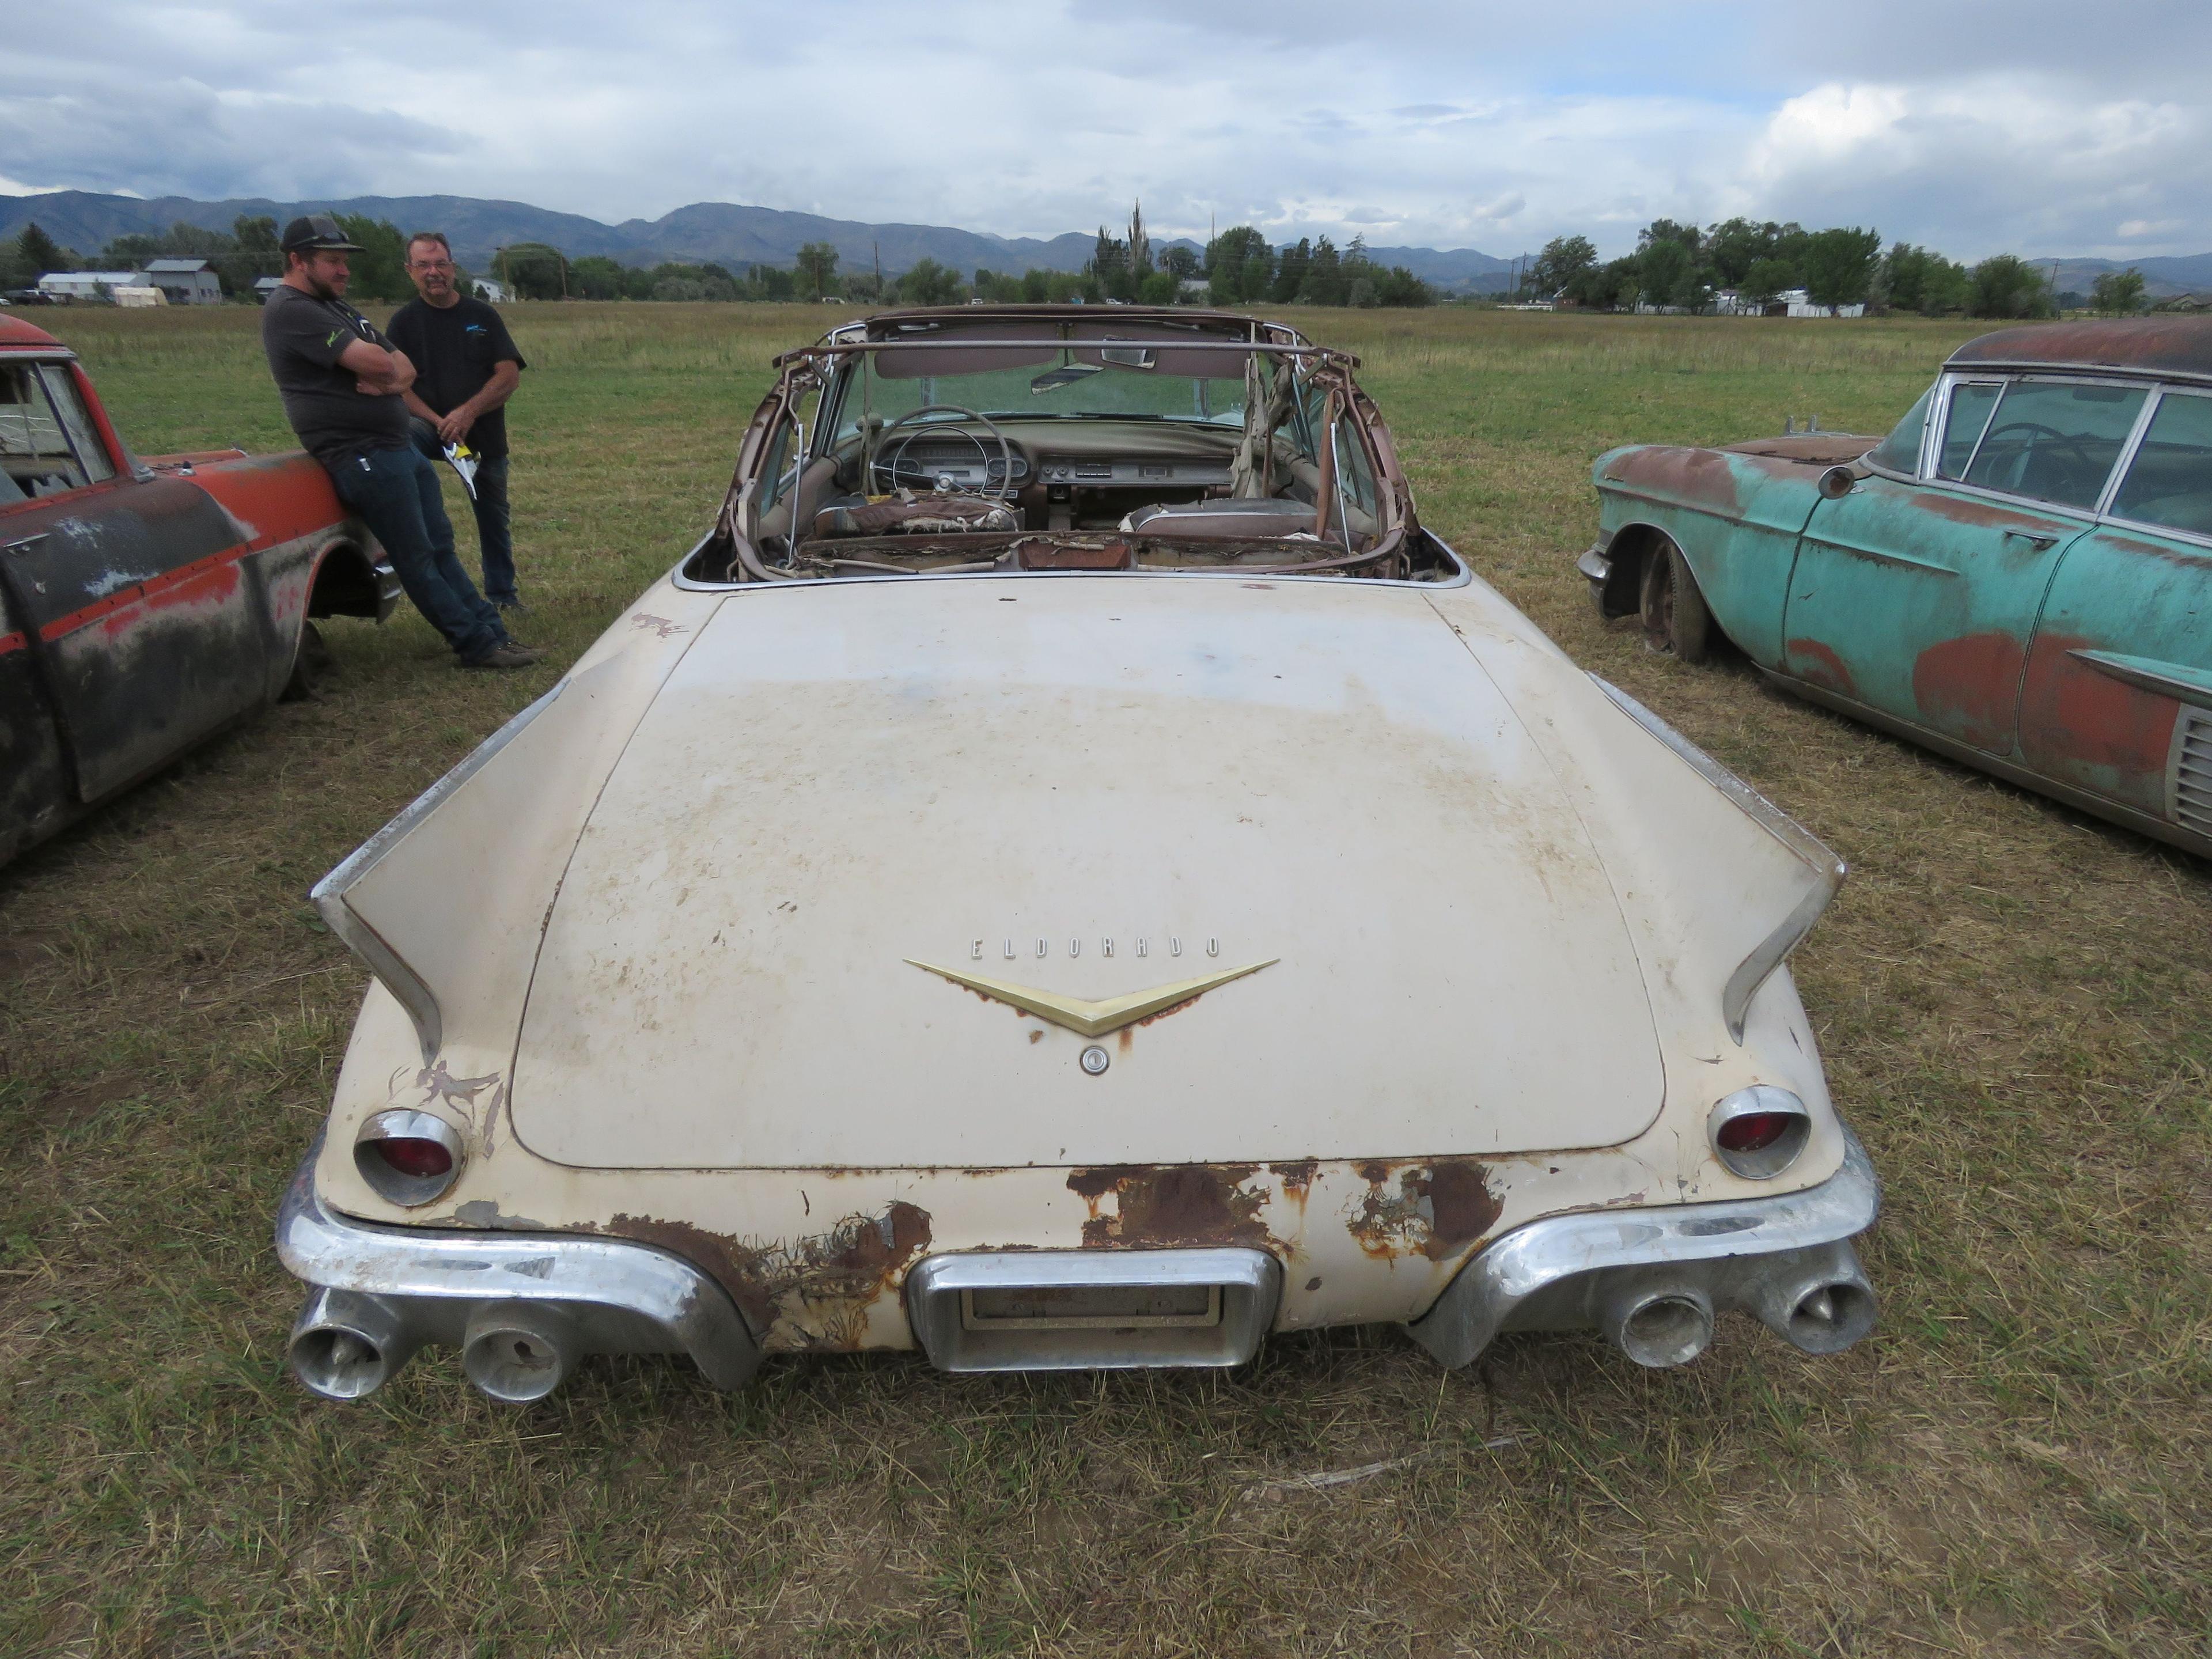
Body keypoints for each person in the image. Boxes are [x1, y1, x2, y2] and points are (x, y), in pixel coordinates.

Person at [259, 214, 540, 671]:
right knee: (417, 557)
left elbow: (400, 368)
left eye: (345, 261)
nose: (344, 271)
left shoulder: (336, 307)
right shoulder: (292, 310)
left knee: (441, 546)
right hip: (361, 454)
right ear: (297, 261)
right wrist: (386, 371)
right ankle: (475, 645)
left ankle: (495, 633)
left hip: (394, 446)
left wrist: (387, 377)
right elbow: (384, 362)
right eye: (332, 261)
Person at [387, 233, 528, 613]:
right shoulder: (403, 324)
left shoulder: (482, 316)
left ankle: (502, 594)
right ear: (410, 271)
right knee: (400, 450)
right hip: (428, 429)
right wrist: (438, 421)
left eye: (442, 264)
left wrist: (467, 412)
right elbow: (399, 386)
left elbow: (508, 376)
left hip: (481, 432)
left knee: (493, 514)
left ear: (453, 267)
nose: (434, 273)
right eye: (424, 266)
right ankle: (430, 572)